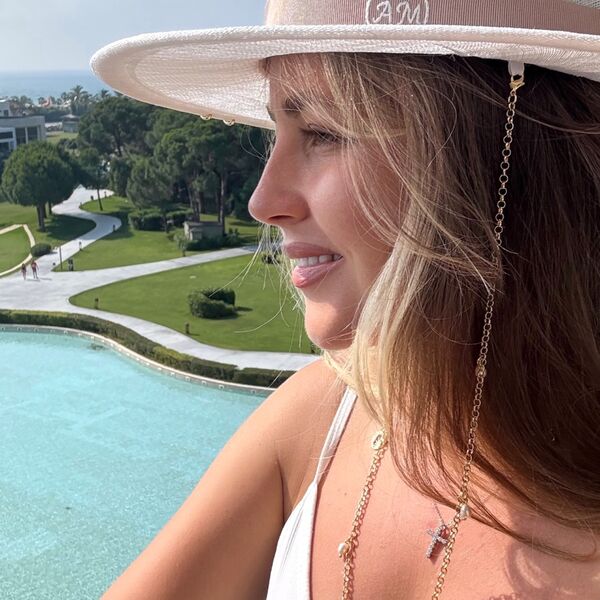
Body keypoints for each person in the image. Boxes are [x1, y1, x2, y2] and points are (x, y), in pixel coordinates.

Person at [90, 1, 600, 598]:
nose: (262, 202)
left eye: (322, 133)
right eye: (274, 134)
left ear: (493, 152)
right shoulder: (317, 419)